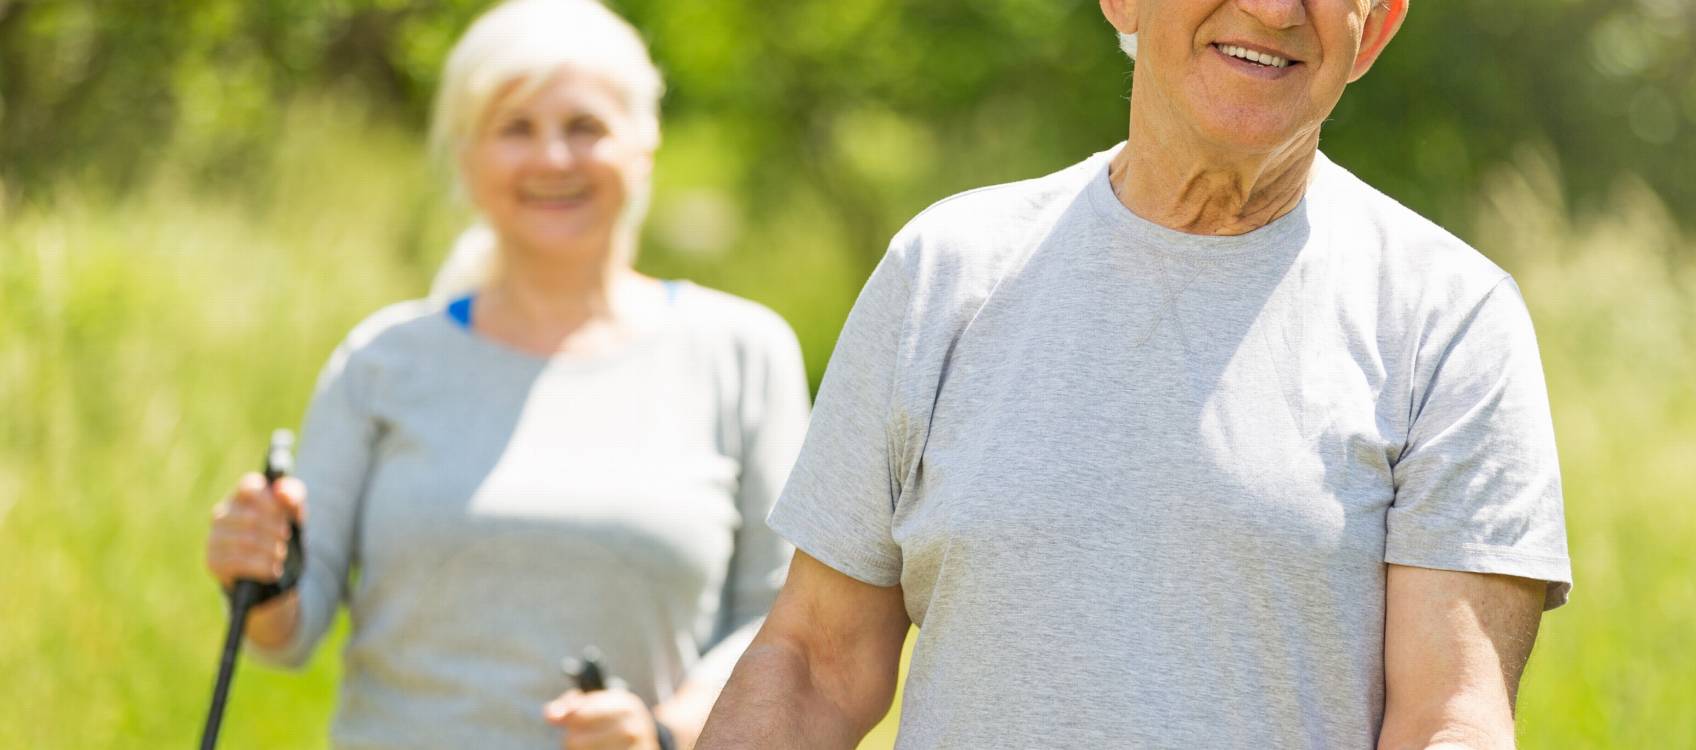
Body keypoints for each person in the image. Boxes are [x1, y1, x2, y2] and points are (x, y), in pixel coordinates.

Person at [699, 0, 1572, 748]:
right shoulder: (945, 271)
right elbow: (815, 662)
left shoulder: (1449, 317)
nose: (1273, 11)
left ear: (1373, 28)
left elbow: (1448, 719)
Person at [202, 1, 811, 747]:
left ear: (643, 146)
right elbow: (286, 635)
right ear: (467, 156)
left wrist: (661, 732)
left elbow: (782, 621)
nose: (553, 159)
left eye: (584, 127)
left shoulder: (743, 353)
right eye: (516, 128)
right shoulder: (382, 360)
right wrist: (257, 567)